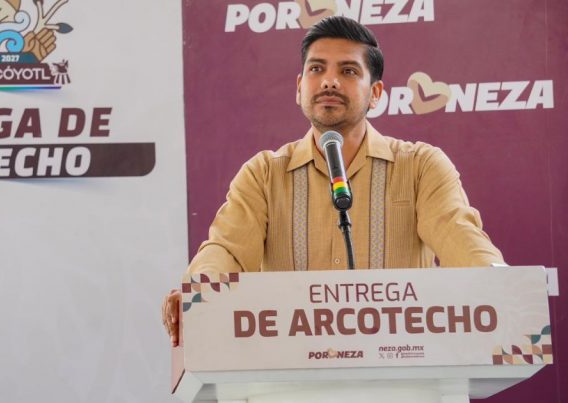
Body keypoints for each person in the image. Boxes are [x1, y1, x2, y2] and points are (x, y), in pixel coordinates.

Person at [162, 16, 504, 346]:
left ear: (376, 93)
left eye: (348, 71)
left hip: (400, 367)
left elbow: (458, 234)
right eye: (317, 69)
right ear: (299, 87)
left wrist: (502, 283)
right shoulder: (263, 175)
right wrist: (198, 293)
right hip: (290, 370)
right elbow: (227, 250)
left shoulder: (420, 167)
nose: (330, 81)